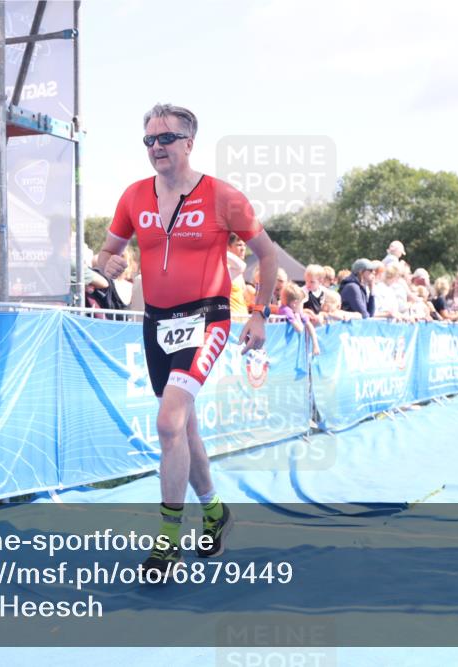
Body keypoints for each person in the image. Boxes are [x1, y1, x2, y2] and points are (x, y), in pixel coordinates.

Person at [96, 104, 276, 573]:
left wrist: (258, 313)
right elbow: (106, 254)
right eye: (149, 140)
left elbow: (266, 254)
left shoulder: (222, 196)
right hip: (156, 322)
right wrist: (105, 263)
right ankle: (215, 514)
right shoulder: (134, 196)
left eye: (166, 138)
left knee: (168, 422)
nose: (156, 147)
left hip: (207, 317)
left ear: (189, 142)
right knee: (183, 427)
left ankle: (167, 542)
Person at [279, 282, 320, 355]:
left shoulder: (296, 311)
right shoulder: (286, 310)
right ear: (295, 303)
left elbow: (309, 325)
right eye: (301, 303)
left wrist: (315, 344)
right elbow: (300, 329)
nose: (302, 306)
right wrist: (297, 316)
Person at [227, 233, 249, 318]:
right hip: (232, 322)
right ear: (228, 247)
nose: (243, 248)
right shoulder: (225, 269)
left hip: (243, 321)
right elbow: (241, 266)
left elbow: (245, 300)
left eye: (244, 245)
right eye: (239, 245)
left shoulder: (239, 273)